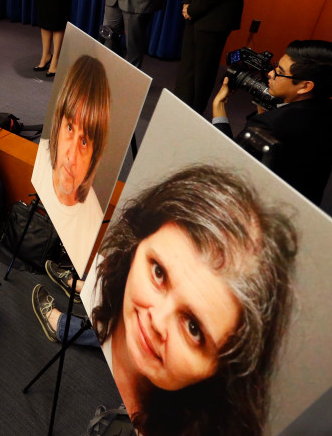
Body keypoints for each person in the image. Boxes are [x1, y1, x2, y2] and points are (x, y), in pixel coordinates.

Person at [78, 165, 296, 436]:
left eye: (193, 327)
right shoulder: (100, 288)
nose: (157, 320)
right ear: (136, 244)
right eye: (159, 273)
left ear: (221, 371)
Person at [212, 40, 332, 204]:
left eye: (279, 72)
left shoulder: (269, 124)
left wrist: (218, 107)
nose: (270, 74)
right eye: (275, 66)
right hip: (304, 202)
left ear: (305, 86)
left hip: (262, 204)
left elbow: (229, 164)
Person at [31, 55, 110, 268]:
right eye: (69, 128)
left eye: (84, 141)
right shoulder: (42, 159)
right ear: (58, 123)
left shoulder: (92, 218)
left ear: (95, 154)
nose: (71, 156)